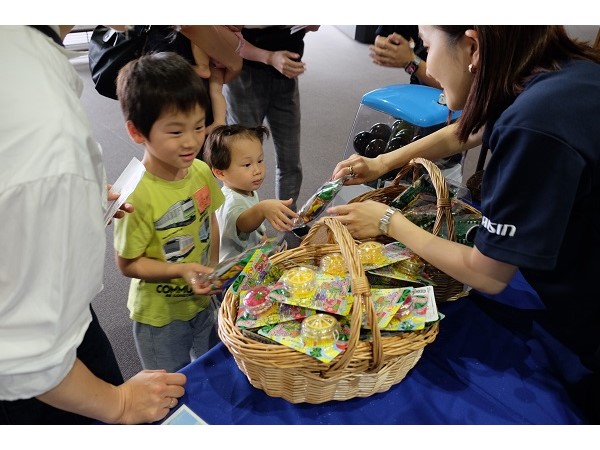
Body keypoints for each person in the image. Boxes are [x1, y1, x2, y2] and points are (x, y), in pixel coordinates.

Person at [329, 25, 600, 423]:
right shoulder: (556, 70)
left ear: (472, 46)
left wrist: (389, 221)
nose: (427, 62)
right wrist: (383, 162)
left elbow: (488, 274)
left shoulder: (534, 125)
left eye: (428, 44)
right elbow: (468, 128)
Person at [0, 26, 186, 425]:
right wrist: (116, 404)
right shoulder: (47, 129)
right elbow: (25, 356)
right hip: (35, 371)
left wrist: (68, 205)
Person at [113, 52, 225, 374]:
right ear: (137, 133)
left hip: (202, 300)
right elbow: (128, 263)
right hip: (159, 317)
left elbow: (211, 219)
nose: (191, 141)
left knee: (212, 370)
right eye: (175, 132)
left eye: (199, 126)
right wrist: (182, 270)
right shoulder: (136, 195)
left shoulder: (201, 171)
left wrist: (213, 265)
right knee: (169, 387)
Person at [223, 25, 320, 211]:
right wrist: (269, 57)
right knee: (241, 161)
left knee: (290, 161)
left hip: (286, 76)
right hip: (245, 73)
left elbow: (313, 26)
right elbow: (224, 34)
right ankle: (241, 224)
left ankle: (288, 221)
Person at [203, 124, 299, 262]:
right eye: (247, 164)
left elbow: (256, 228)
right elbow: (244, 223)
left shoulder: (247, 191)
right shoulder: (230, 202)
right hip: (235, 274)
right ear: (220, 172)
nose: (257, 170)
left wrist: (266, 243)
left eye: (260, 161)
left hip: (252, 262)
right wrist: (262, 209)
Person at [369, 25, 441, 89]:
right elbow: (381, 41)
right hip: (418, 86)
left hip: (444, 93)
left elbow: (447, 82)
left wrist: (411, 61)